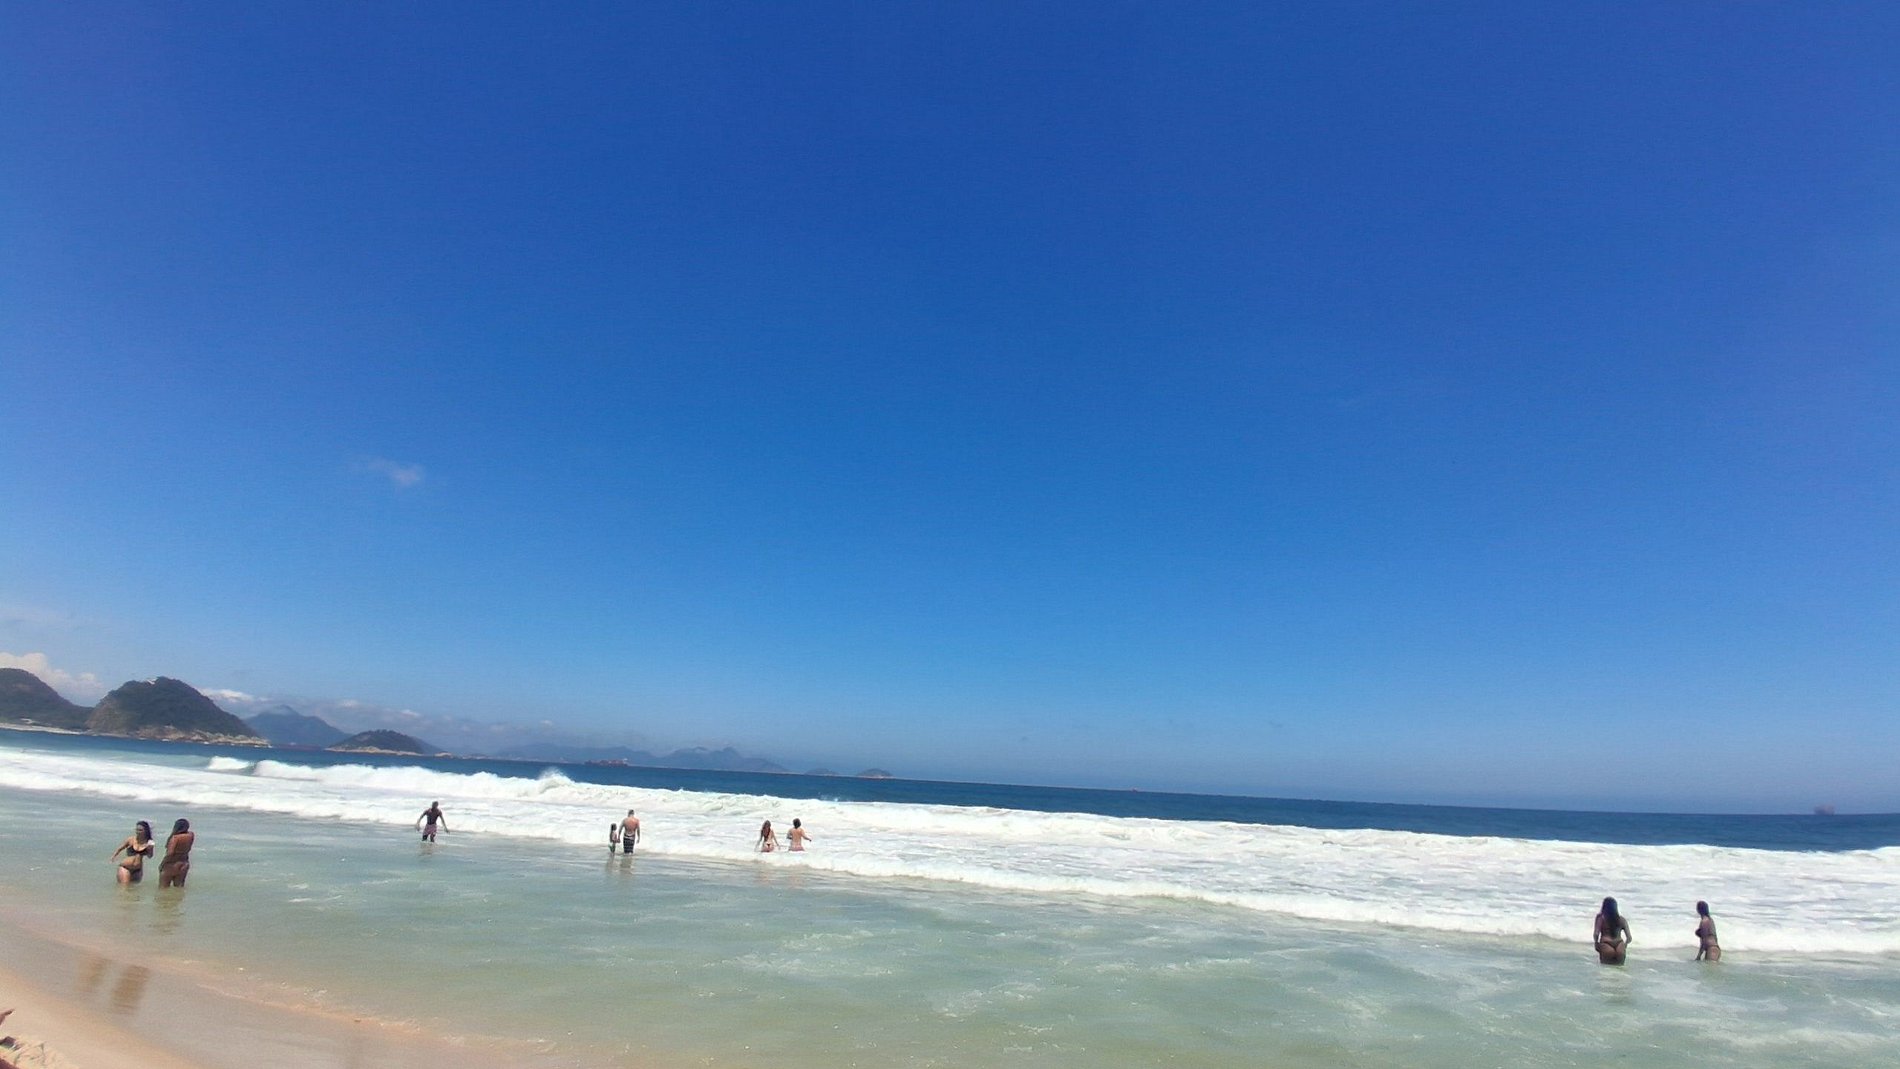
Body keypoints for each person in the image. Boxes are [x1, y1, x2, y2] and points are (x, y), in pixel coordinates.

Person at [1594, 896, 1631, 964]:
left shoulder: (1601, 917)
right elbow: (1629, 938)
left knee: (1606, 969)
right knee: (1619, 969)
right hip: (1620, 944)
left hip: (1606, 944)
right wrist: (1625, 945)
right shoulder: (1621, 919)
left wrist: (1596, 943)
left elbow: (1596, 934)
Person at [158, 819, 194, 888]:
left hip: (171, 864)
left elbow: (170, 853)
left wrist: (162, 864)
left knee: (163, 889)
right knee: (179, 888)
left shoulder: (175, 838)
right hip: (184, 864)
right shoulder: (191, 835)